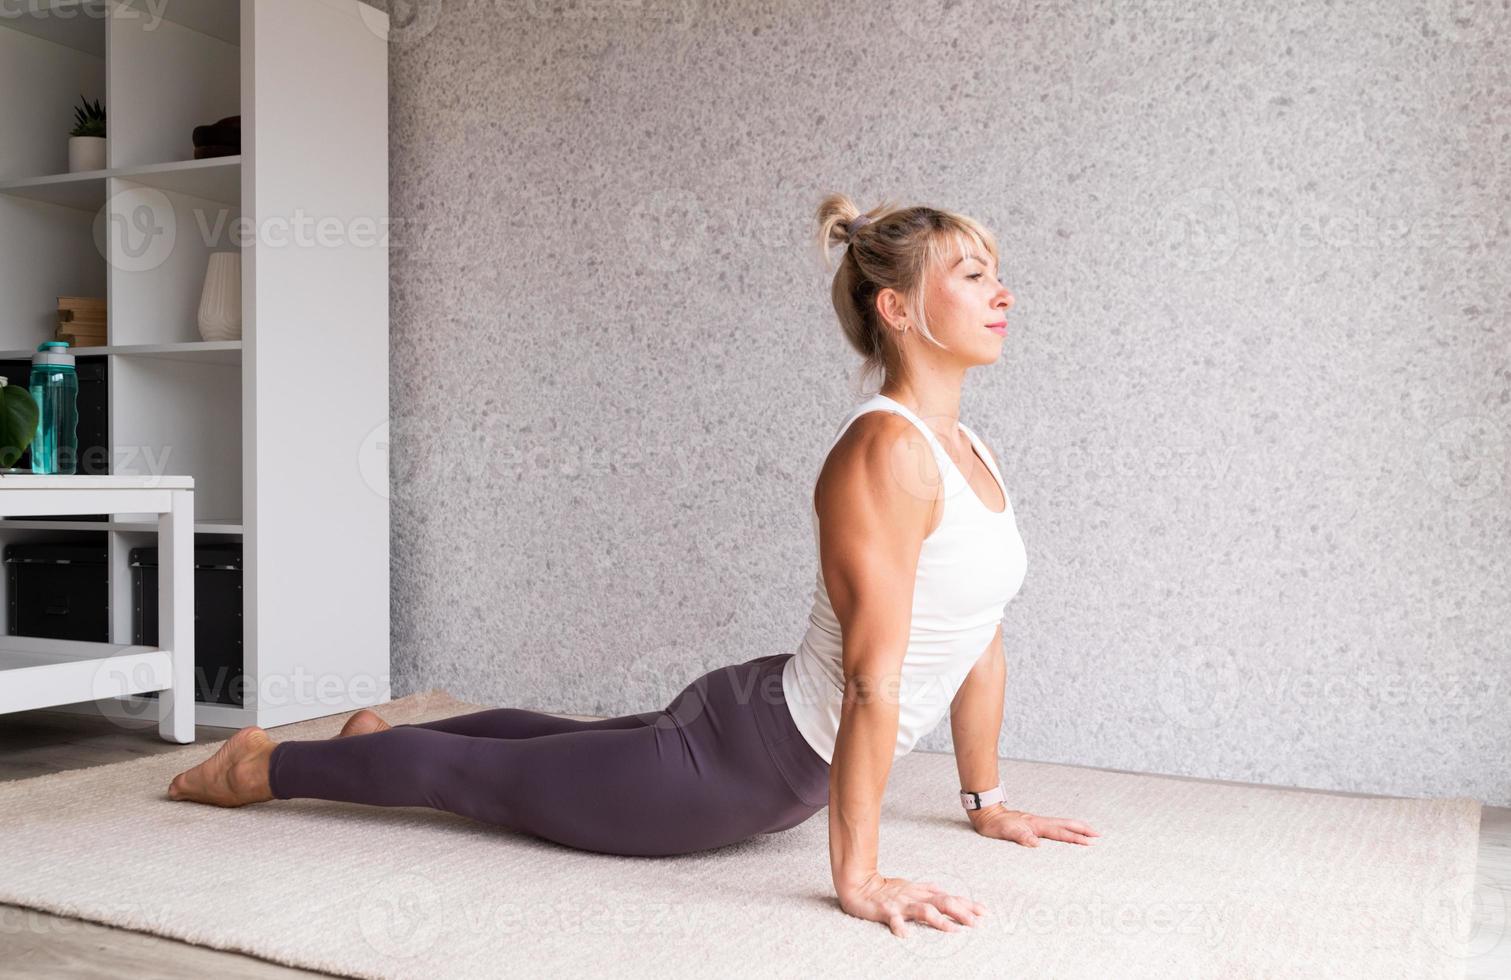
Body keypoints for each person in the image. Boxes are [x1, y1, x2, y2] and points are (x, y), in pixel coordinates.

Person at [166, 193, 1099, 938]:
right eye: (973, 275)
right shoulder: (884, 453)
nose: (1002, 292)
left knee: (575, 745)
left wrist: (987, 801)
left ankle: (371, 736)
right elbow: (870, 677)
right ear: (896, 309)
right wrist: (857, 877)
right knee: (485, 787)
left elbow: (978, 632)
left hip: (756, 721)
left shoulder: (965, 446)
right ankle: (260, 766)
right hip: (743, 765)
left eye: (996, 274)